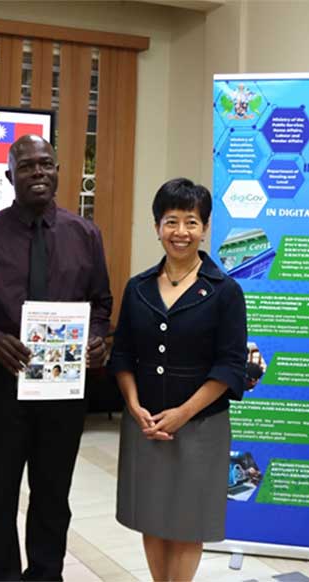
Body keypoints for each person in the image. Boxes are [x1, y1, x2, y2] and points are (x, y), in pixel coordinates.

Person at [0, 135, 112, 581]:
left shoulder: (85, 234)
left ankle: (46, 574)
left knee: (53, 493)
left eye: (46, 164)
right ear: (9, 175)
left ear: (58, 171)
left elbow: (101, 304)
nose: (38, 172)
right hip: (2, 385)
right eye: (27, 165)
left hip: (63, 389)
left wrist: (96, 338)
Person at [109, 178, 247, 582]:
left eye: (191, 222)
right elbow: (122, 356)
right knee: (153, 517)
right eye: (171, 221)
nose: (181, 233)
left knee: (188, 521)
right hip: (146, 424)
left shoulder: (225, 291)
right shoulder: (137, 288)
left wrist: (183, 414)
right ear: (157, 227)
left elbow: (229, 366)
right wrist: (134, 407)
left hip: (201, 426)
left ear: (205, 228)